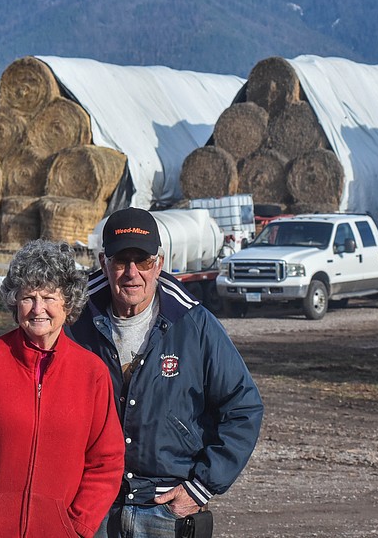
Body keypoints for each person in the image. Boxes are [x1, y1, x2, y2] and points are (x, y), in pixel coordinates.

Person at [68, 207, 264, 537]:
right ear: (104, 263)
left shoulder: (193, 323)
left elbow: (243, 408)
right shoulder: (74, 321)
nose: (132, 273)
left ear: (158, 264)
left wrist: (201, 486)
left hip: (166, 509)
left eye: (142, 261)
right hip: (93, 506)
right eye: (120, 261)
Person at [0, 239, 125, 537]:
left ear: (67, 303)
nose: (38, 309)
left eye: (49, 297)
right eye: (28, 297)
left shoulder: (91, 373)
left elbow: (106, 461)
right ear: (15, 301)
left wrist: (77, 527)